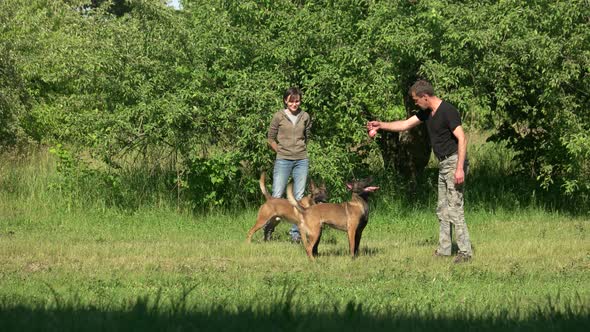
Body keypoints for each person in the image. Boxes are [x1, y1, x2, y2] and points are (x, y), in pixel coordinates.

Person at [367, 80, 473, 263]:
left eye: (416, 100)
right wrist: (380, 125)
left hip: (455, 162)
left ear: (425, 97)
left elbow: (462, 139)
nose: (415, 103)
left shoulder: (448, 111)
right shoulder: (427, 112)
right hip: (443, 164)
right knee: (442, 209)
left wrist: (459, 169)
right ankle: (444, 250)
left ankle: (465, 253)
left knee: (455, 208)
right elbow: (404, 125)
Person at [264, 87, 312, 243]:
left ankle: (296, 234)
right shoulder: (278, 116)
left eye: (297, 101)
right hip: (283, 160)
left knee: (298, 198)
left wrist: (301, 149)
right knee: (276, 196)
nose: (295, 104)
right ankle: (268, 229)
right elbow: (270, 138)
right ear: (286, 100)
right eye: (291, 101)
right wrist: (280, 150)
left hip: (301, 160)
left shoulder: (305, 116)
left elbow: (307, 137)